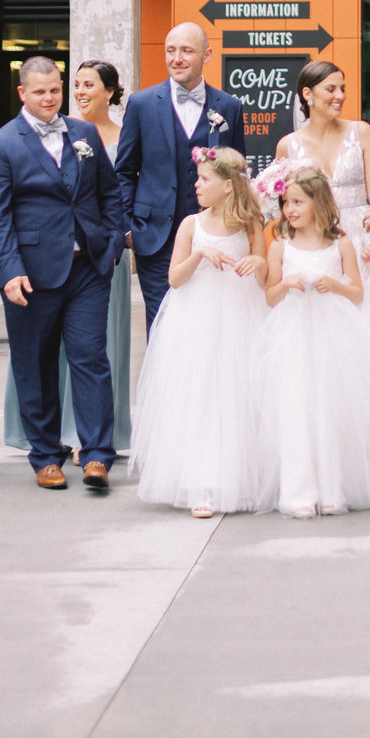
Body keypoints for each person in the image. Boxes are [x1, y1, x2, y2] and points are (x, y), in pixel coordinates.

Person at [0, 55, 125, 491]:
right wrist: (8, 271)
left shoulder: (84, 134)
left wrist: (113, 241)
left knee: (91, 358)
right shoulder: (0, 143)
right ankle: (45, 455)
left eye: (55, 90)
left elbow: (109, 192)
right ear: (22, 93)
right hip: (30, 274)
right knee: (35, 364)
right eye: (40, 91)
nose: (50, 98)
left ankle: (97, 454)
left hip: (88, 269)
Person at [130, 147, 270, 515]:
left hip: (240, 314)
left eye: (204, 179)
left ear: (227, 186)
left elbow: (265, 280)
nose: (196, 184)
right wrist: (198, 256)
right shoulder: (191, 224)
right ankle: (200, 483)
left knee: (237, 394)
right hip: (196, 317)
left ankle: (237, 479)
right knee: (200, 394)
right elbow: (174, 279)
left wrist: (258, 260)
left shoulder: (251, 223)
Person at [258, 167, 370, 517]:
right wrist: (286, 284)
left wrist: (335, 284)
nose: (290, 209)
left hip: (332, 335)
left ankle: (330, 487)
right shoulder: (280, 246)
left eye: (298, 202)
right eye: (285, 203)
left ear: (318, 202)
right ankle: (299, 492)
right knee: (297, 406)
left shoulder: (341, 243)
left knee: (330, 405)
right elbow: (269, 297)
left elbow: (357, 293)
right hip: (293, 333)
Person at [115, 23, 247, 336]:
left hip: (215, 237)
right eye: (170, 50)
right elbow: (123, 171)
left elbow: (237, 172)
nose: (177, 58)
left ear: (207, 55)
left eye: (186, 51)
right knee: (163, 326)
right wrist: (129, 226)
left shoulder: (228, 107)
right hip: (156, 237)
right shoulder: (142, 104)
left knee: (212, 328)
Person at [275, 59, 370, 288]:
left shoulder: (362, 132)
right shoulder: (287, 145)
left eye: (342, 89)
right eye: (331, 89)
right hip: (314, 238)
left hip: (362, 235)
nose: (341, 96)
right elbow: (285, 208)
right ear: (308, 94)